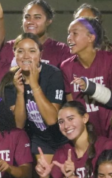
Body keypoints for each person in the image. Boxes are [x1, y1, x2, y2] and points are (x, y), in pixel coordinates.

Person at [7, 33, 67, 164]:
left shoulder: (53, 74)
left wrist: (34, 85)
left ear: (41, 53)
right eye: (20, 51)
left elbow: (52, 119)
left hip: (63, 137)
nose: (26, 56)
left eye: (32, 51)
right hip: (39, 139)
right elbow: (19, 125)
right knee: (43, 177)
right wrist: (19, 93)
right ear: (14, 53)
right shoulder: (11, 79)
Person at [60, 17, 112, 139]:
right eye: (69, 33)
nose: (69, 37)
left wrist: (91, 88)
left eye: (75, 33)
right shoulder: (66, 67)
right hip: (88, 137)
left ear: (90, 37)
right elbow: (72, 108)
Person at [0, 0, 70, 68]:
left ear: (48, 21)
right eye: (27, 17)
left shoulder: (61, 51)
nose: (30, 21)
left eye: (37, 17)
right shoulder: (9, 47)